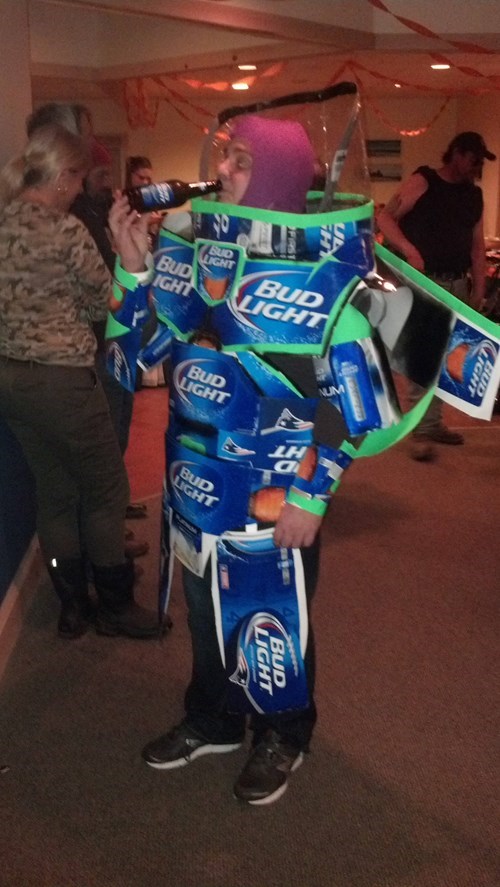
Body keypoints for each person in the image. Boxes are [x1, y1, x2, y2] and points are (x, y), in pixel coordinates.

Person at [108, 115, 350, 806]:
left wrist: (311, 496)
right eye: (226, 157)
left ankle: (284, 731)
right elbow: (131, 362)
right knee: (202, 609)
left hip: (277, 493)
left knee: (274, 616)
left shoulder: (316, 277)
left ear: (275, 177)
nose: (223, 171)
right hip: (195, 480)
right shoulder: (197, 260)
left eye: (242, 160)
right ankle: (214, 717)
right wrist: (134, 267)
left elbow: (348, 402)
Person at [0, 124, 159, 640]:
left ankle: (72, 607)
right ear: (63, 176)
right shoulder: (65, 230)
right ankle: (115, 605)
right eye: (78, 178)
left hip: (12, 382)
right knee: (106, 490)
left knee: (54, 490)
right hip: (64, 381)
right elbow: (104, 305)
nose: (77, 189)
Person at [377, 131, 497, 461]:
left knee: (450, 358)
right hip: (424, 283)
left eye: (480, 162)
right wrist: (409, 250)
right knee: (424, 356)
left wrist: (479, 289)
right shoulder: (424, 180)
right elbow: (385, 217)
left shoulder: (474, 196)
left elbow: (477, 247)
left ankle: (433, 423)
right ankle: (421, 429)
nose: (476, 167)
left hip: (457, 284)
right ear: (456, 153)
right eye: (473, 160)